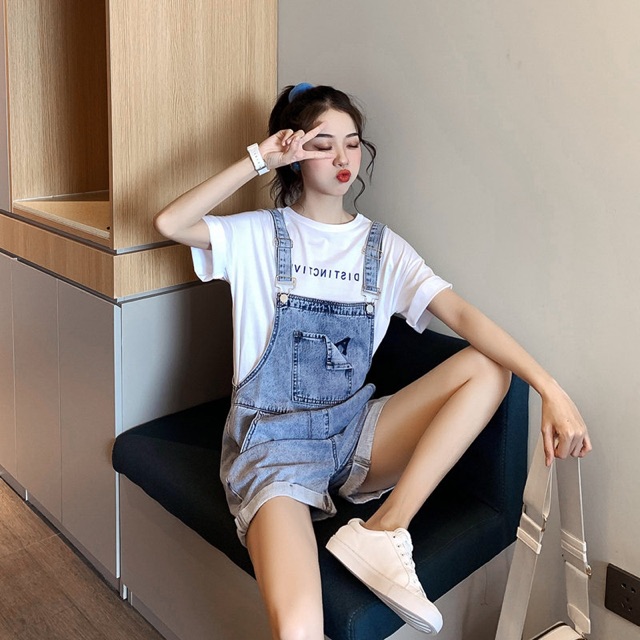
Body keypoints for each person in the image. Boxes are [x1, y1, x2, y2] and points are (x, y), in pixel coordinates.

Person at [154, 83, 591, 639]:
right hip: (273, 446)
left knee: (488, 369)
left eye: (352, 143)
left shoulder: (383, 249)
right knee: (299, 629)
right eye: (322, 144)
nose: (342, 157)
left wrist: (551, 389)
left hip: (351, 432)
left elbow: (464, 317)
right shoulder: (259, 234)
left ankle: (385, 529)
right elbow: (170, 223)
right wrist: (260, 158)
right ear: (294, 151)